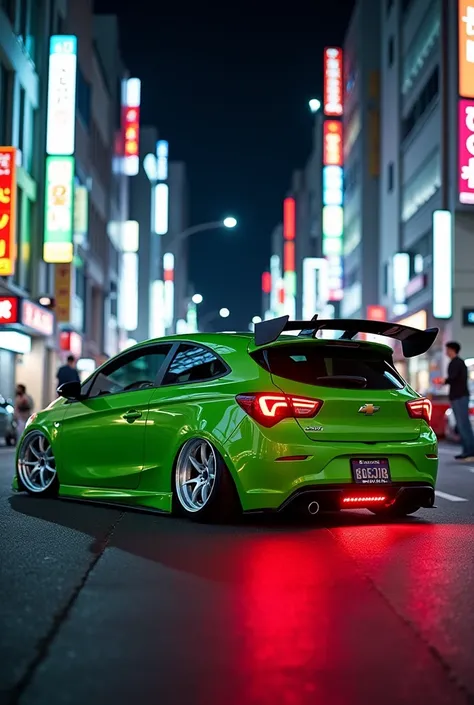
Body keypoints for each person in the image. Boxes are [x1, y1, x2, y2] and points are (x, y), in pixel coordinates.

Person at [441, 342, 474, 460]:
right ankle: (466, 450)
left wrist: (443, 381)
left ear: (452, 350)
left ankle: (470, 450)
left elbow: (453, 378)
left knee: (463, 424)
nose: (446, 352)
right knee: (461, 425)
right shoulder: (458, 363)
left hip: (460, 397)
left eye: (447, 349)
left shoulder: (457, 363)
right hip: (457, 397)